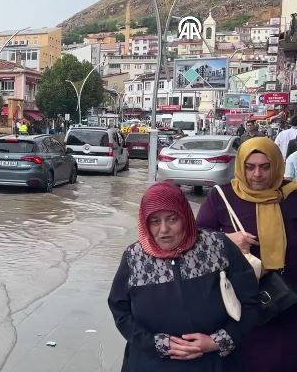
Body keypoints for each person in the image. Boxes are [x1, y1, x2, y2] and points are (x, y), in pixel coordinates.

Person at [109, 182, 259, 372]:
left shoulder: (217, 246)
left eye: (172, 219)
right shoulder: (134, 256)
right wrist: (156, 344)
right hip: (149, 363)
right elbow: (120, 311)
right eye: (155, 221)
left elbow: (251, 302)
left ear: (186, 217)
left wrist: (218, 341)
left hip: (215, 363)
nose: (164, 229)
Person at [197, 137, 297, 372]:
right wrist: (227, 240)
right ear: (240, 166)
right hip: (244, 302)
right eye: (250, 167)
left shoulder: (292, 195)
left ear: (276, 165)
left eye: (265, 166)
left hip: (290, 300)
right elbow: (196, 241)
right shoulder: (222, 197)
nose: (257, 174)